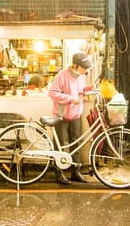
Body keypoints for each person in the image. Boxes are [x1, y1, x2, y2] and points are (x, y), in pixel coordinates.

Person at [48, 52, 92, 185]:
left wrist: (86, 89)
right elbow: (52, 92)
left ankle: (75, 172)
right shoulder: (62, 75)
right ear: (75, 66)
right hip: (61, 116)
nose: (85, 70)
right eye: (83, 67)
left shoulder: (82, 76)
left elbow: (79, 90)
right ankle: (59, 173)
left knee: (76, 142)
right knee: (60, 144)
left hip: (76, 115)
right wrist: (70, 99)